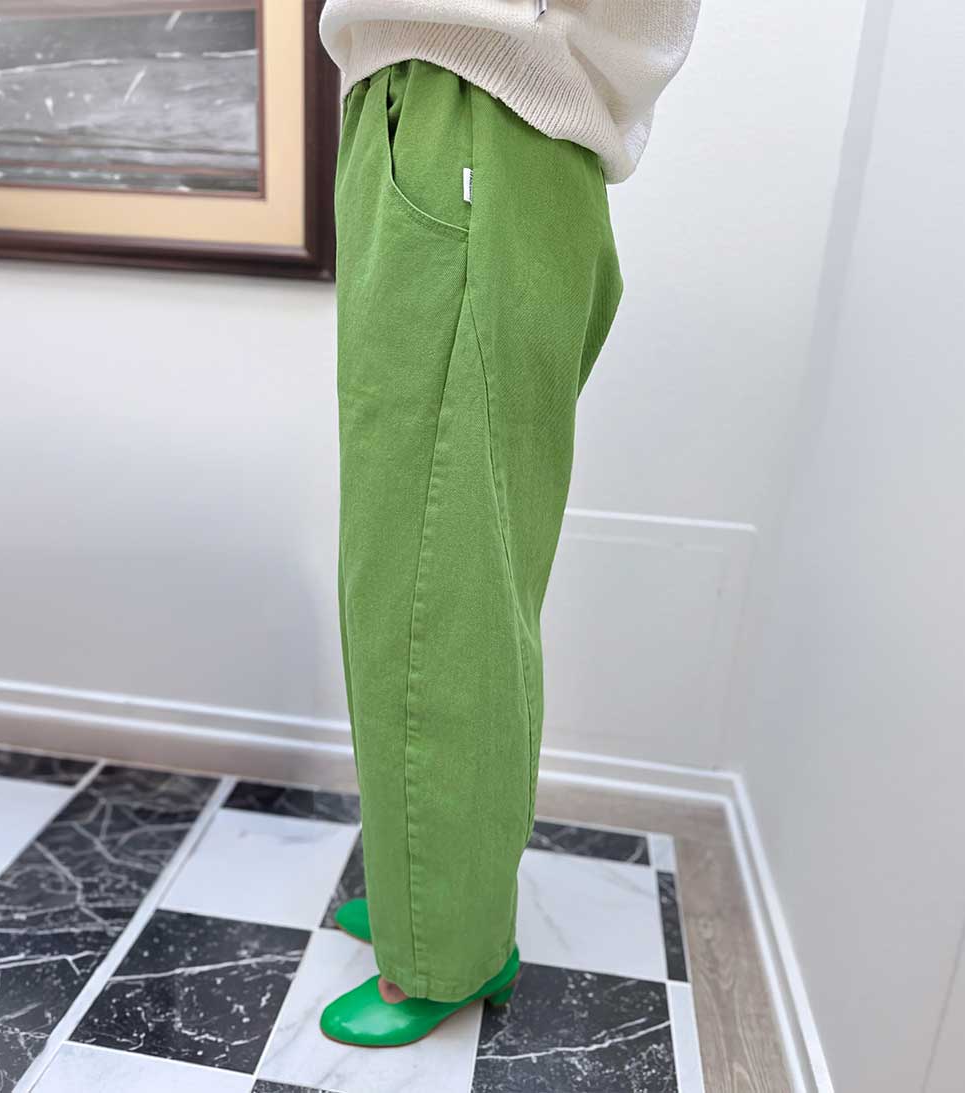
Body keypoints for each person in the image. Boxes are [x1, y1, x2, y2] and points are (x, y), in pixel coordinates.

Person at [316, 0, 702, 1047]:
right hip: (438, 123)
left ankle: (447, 947)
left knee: (435, 580)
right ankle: (434, 892)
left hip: (474, 116)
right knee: (421, 561)